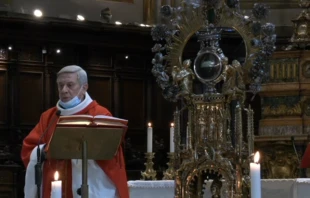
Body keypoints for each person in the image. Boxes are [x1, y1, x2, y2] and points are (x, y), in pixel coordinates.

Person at [21, 65, 129, 198]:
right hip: (55, 186)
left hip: (90, 186)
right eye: (60, 85)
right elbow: (29, 148)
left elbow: (113, 154)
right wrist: (45, 151)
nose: (64, 90)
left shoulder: (100, 114)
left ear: (84, 87)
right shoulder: (49, 117)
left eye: (70, 85)